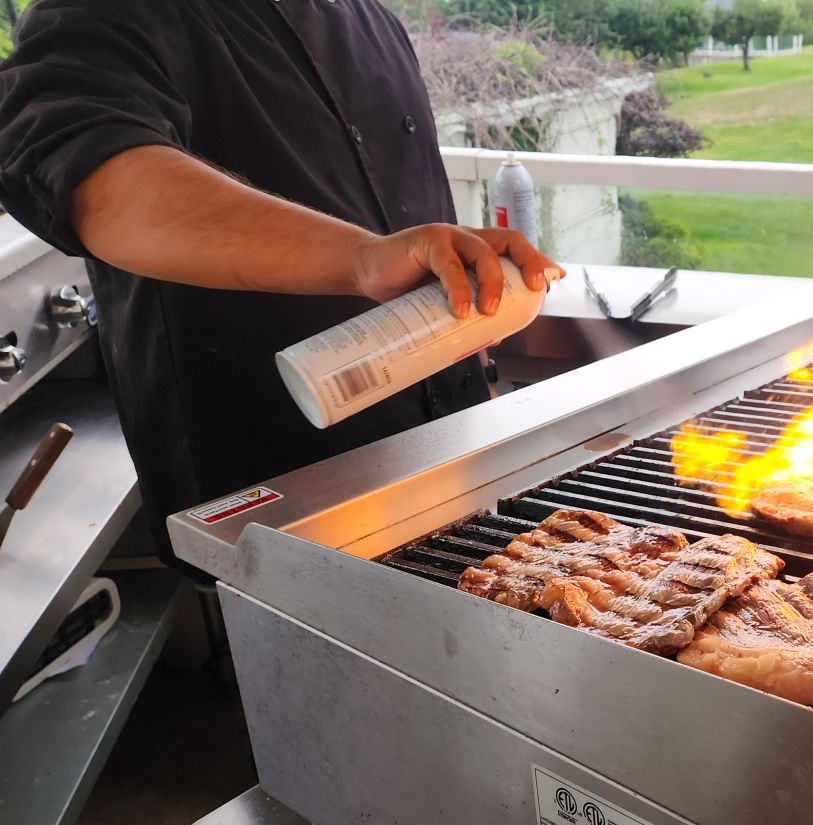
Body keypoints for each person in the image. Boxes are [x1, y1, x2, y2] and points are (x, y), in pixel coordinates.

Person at [0, 0, 557, 566]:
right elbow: (100, 181)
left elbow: (413, 206)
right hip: (275, 501)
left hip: (444, 460)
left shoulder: (372, 19)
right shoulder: (99, 14)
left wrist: (473, 348)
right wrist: (364, 258)